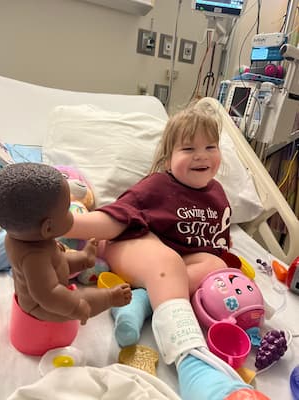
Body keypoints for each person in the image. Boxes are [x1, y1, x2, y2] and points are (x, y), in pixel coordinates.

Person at [66, 98, 269, 400]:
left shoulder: (217, 195)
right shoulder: (157, 186)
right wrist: (63, 224)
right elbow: (114, 219)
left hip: (169, 264)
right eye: (188, 149)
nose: (201, 156)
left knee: (215, 268)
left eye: (210, 147)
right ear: (167, 158)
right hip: (130, 242)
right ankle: (194, 367)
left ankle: (143, 300)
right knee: (169, 262)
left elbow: (215, 247)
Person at [0, 163, 131, 325]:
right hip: (39, 308)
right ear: (48, 228)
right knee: (83, 298)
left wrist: (57, 251)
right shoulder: (34, 258)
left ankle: (85, 258)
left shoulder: (21, 237)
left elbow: (54, 263)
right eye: (67, 209)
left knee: (60, 259)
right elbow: (48, 295)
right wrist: (75, 307)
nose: (70, 214)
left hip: (49, 277)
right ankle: (110, 297)